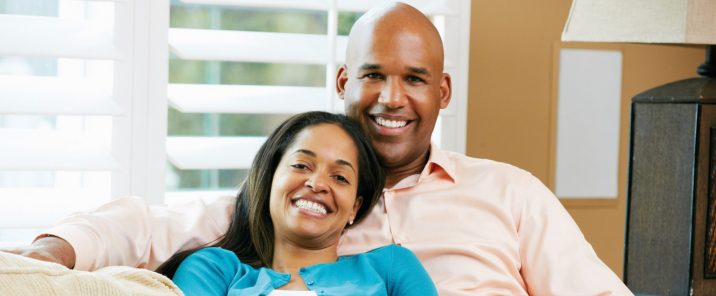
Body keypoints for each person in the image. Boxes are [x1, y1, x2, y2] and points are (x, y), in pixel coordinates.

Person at [4, 2, 633, 295]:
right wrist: (46, 253)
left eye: (414, 79)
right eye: (372, 75)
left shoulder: (511, 192)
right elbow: (146, 225)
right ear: (342, 84)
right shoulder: (298, 204)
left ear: (442, 92)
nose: (391, 98)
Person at [160, 111, 436, 295]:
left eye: (340, 177)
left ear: (354, 207)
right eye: (302, 165)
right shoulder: (214, 269)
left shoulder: (390, 267)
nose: (317, 183)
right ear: (270, 179)